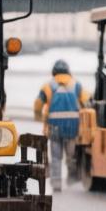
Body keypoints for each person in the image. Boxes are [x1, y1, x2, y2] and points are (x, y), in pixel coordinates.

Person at [34, 59, 88, 192]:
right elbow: (87, 102)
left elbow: (38, 104)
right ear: (68, 71)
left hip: (54, 127)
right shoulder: (77, 85)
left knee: (56, 157)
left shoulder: (48, 86)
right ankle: (72, 181)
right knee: (71, 156)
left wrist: (38, 117)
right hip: (73, 127)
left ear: (54, 72)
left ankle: (57, 183)